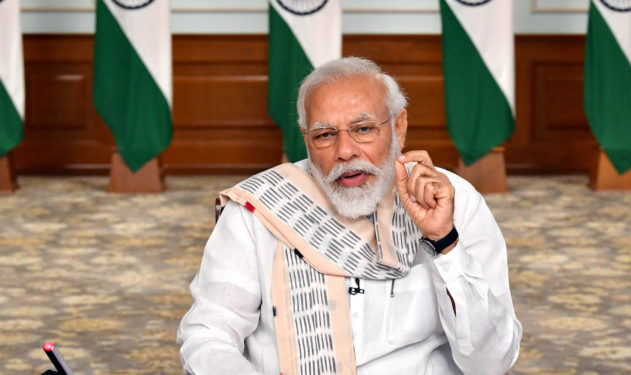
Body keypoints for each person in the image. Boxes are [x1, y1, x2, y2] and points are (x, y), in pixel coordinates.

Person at [177, 57, 522, 375]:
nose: (345, 151)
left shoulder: (452, 202)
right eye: (325, 135)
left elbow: (491, 362)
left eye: (363, 129)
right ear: (306, 140)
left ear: (399, 127)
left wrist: (444, 242)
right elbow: (209, 335)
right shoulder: (259, 210)